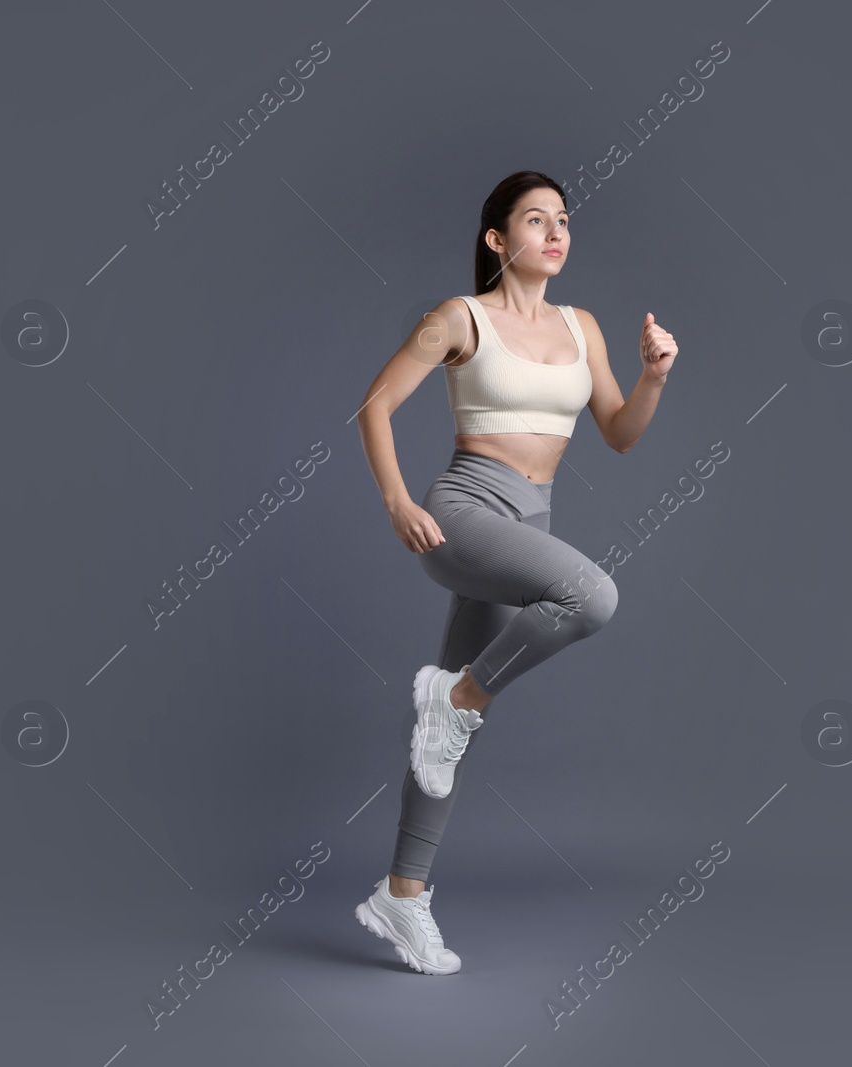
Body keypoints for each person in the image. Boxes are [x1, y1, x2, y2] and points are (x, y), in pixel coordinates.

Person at [350, 171, 678, 974]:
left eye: (563, 219)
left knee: (442, 746)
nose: (556, 232)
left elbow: (621, 434)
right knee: (591, 595)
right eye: (536, 220)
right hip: (464, 511)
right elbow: (375, 406)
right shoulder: (460, 318)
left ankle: (402, 895)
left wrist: (655, 376)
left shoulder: (582, 326)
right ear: (499, 240)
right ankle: (455, 698)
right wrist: (397, 503)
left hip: (533, 517)